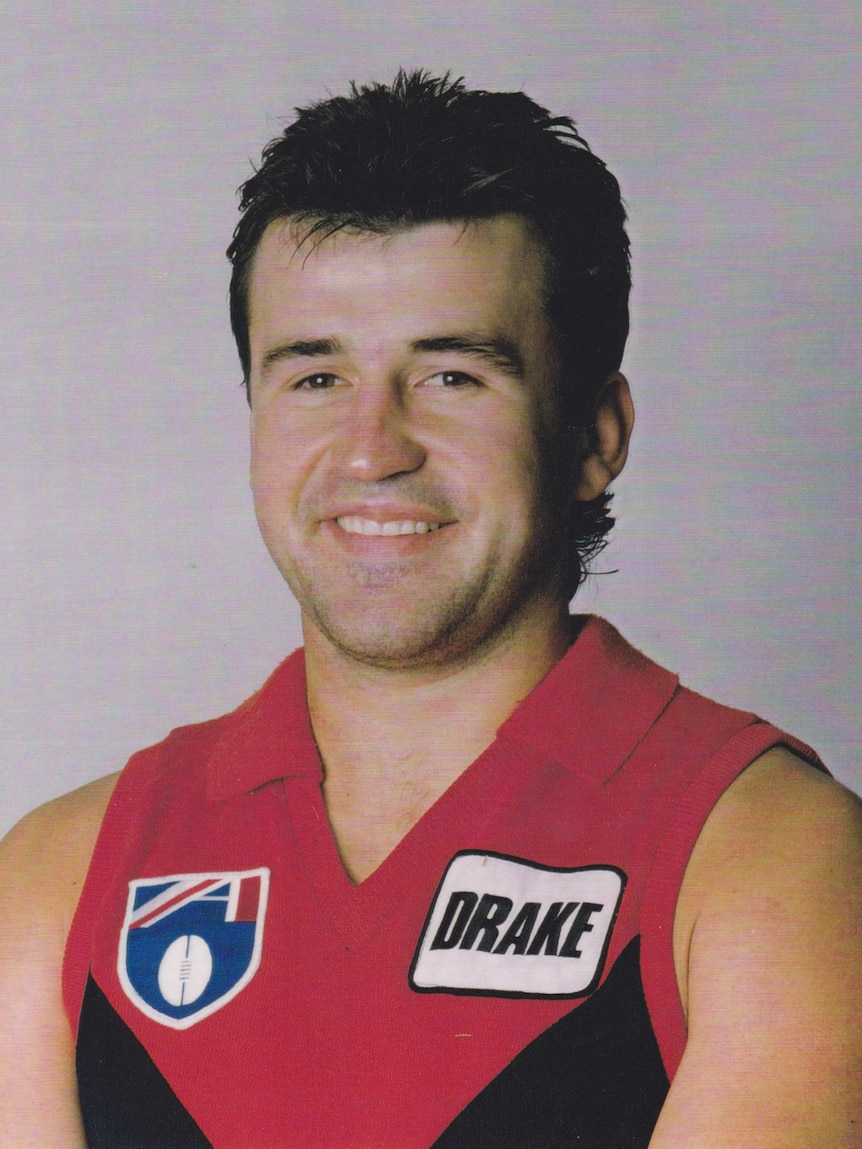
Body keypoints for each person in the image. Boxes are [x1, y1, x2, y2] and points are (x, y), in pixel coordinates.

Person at [0, 70, 859, 1149]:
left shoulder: (765, 859)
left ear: (594, 437)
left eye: (452, 376)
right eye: (313, 378)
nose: (372, 449)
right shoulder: (63, 872)